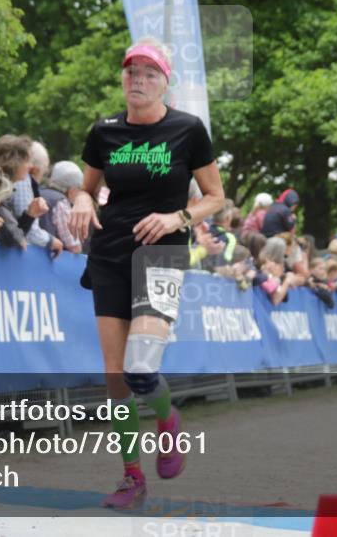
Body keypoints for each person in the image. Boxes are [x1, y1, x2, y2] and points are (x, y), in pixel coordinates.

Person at [68, 37, 225, 509]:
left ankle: (167, 419)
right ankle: (131, 477)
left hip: (162, 253)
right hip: (110, 253)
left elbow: (215, 196)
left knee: (140, 368)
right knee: (116, 378)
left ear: (164, 82)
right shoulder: (104, 131)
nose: (138, 80)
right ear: (123, 79)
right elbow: (86, 187)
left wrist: (178, 218)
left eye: (149, 73)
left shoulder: (188, 129)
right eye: (131, 72)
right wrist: (78, 199)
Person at [0, 134, 63, 257]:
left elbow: (15, 233)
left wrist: (30, 214)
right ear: (15, 162)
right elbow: (13, 237)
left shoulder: (2, 192)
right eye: (27, 161)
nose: (30, 167)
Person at [39, 160, 84, 254]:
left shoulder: (38, 192)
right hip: (47, 259)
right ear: (72, 189)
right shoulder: (61, 202)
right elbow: (74, 247)